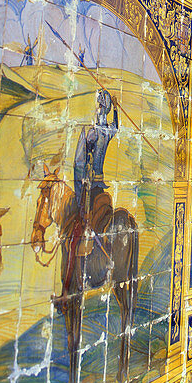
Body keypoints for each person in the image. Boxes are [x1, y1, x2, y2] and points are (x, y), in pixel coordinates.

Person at [63, 90, 118, 293]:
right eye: (102, 106)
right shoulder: (105, 131)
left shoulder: (96, 131)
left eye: (101, 106)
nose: (100, 110)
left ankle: (75, 275)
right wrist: (117, 110)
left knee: (80, 225)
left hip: (91, 186)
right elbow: (116, 126)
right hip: (99, 184)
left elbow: (80, 159)